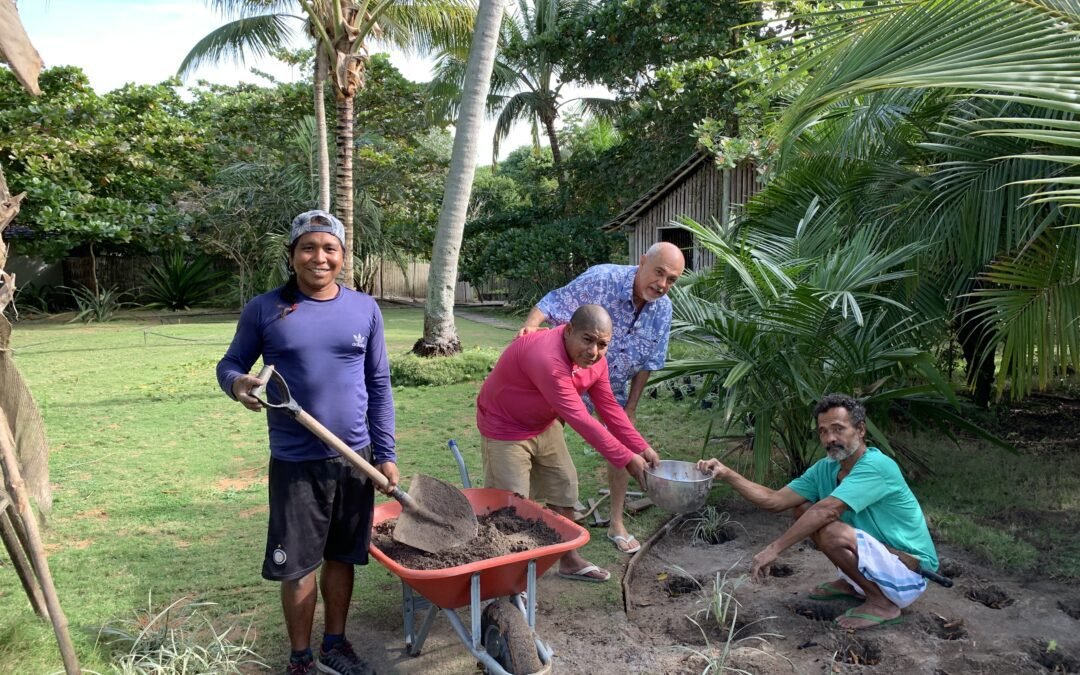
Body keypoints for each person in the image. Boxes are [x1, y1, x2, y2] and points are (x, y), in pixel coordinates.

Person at [217, 210, 396, 675]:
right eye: (309, 248)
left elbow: (378, 385)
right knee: (297, 566)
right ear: (293, 255)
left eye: (329, 249)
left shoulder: (365, 309)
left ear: (342, 257)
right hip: (296, 460)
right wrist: (239, 385)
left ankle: (336, 643)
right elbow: (231, 363)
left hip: (355, 458)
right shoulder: (265, 308)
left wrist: (387, 453)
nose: (319, 257)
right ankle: (301, 659)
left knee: (342, 557)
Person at [697, 394, 938, 630]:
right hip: (880, 559)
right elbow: (775, 500)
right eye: (823, 431)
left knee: (830, 527)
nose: (830, 438)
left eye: (838, 429)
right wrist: (728, 474)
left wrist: (774, 549)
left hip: (909, 571)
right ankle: (854, 583)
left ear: (861, 430)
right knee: (803, 510)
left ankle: (882, 603)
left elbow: (827, 510)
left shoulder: (877, 466)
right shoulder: (826, 468)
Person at [517, 241, 685, 554]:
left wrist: (631, 407)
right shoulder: (602, 279)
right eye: (659, 272)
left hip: (614, 386)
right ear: (643, 260)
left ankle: (616, 523)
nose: (662, 284)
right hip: (571, 377)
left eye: (672, 279)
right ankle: (542, 513)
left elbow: (648, 363)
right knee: (544, 439)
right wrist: (530, 326)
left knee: (619, 445)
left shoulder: (663, 309)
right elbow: (553, 301)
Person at [479, 304, 661, 582]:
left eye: (602, 344)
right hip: (504, 427)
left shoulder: (595, 362)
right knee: (512, 507)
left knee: (565, 488)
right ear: (568, 330)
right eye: (587, 340)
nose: (594, 351)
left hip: (543, 423)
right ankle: (511, 582)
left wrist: (642, 448)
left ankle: (569, 560)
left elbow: (609, 407)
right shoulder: (547, 358)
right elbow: (580, 419)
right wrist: (627, 459)